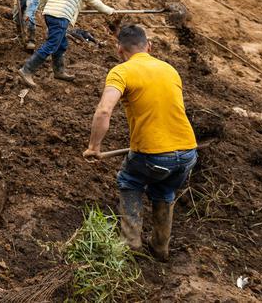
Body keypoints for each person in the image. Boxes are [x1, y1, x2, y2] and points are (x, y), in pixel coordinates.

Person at [83, 25, 198, 261]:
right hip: (187, 152)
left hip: (153, 155)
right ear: (150, 46)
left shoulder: (121, 72)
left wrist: (94, 147)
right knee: (165, 191)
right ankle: (160, 248)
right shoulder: (170, 69)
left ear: (119, 50)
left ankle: (130, 243)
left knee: (129, 180)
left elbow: (104, 111)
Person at [18, 0, 115, 86]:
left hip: (50, 14)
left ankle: (59, 71)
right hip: (61, 16)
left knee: (61, 43)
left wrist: (45, 6)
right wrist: (110, 11)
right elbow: (94, 2)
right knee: (51, 44)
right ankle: (27, 70)